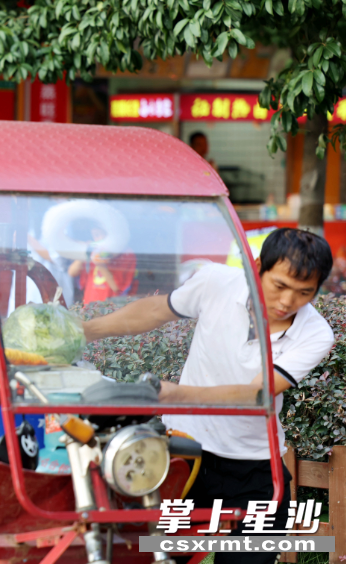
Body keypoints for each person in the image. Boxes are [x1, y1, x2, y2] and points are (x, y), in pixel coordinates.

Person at [83, 228, 334, 564]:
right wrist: (80, 331)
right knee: (151, 556)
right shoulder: (217, 281)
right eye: (279, 286)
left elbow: (256, 393)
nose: (288, 302)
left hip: (254, 471)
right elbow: (155, 311)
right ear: (257, 266)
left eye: (305, 292)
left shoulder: (315, 333)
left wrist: (174, 394)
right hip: (184, 457)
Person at [66, 221, 136, 304]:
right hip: (90, 306)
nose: (100, 239)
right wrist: (85, 252)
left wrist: (100, 264)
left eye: (102, 234)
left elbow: (117, 288)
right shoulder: (94, 251)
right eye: (95, 235)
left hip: (111, 308)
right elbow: (71, 272)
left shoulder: (125, 253)